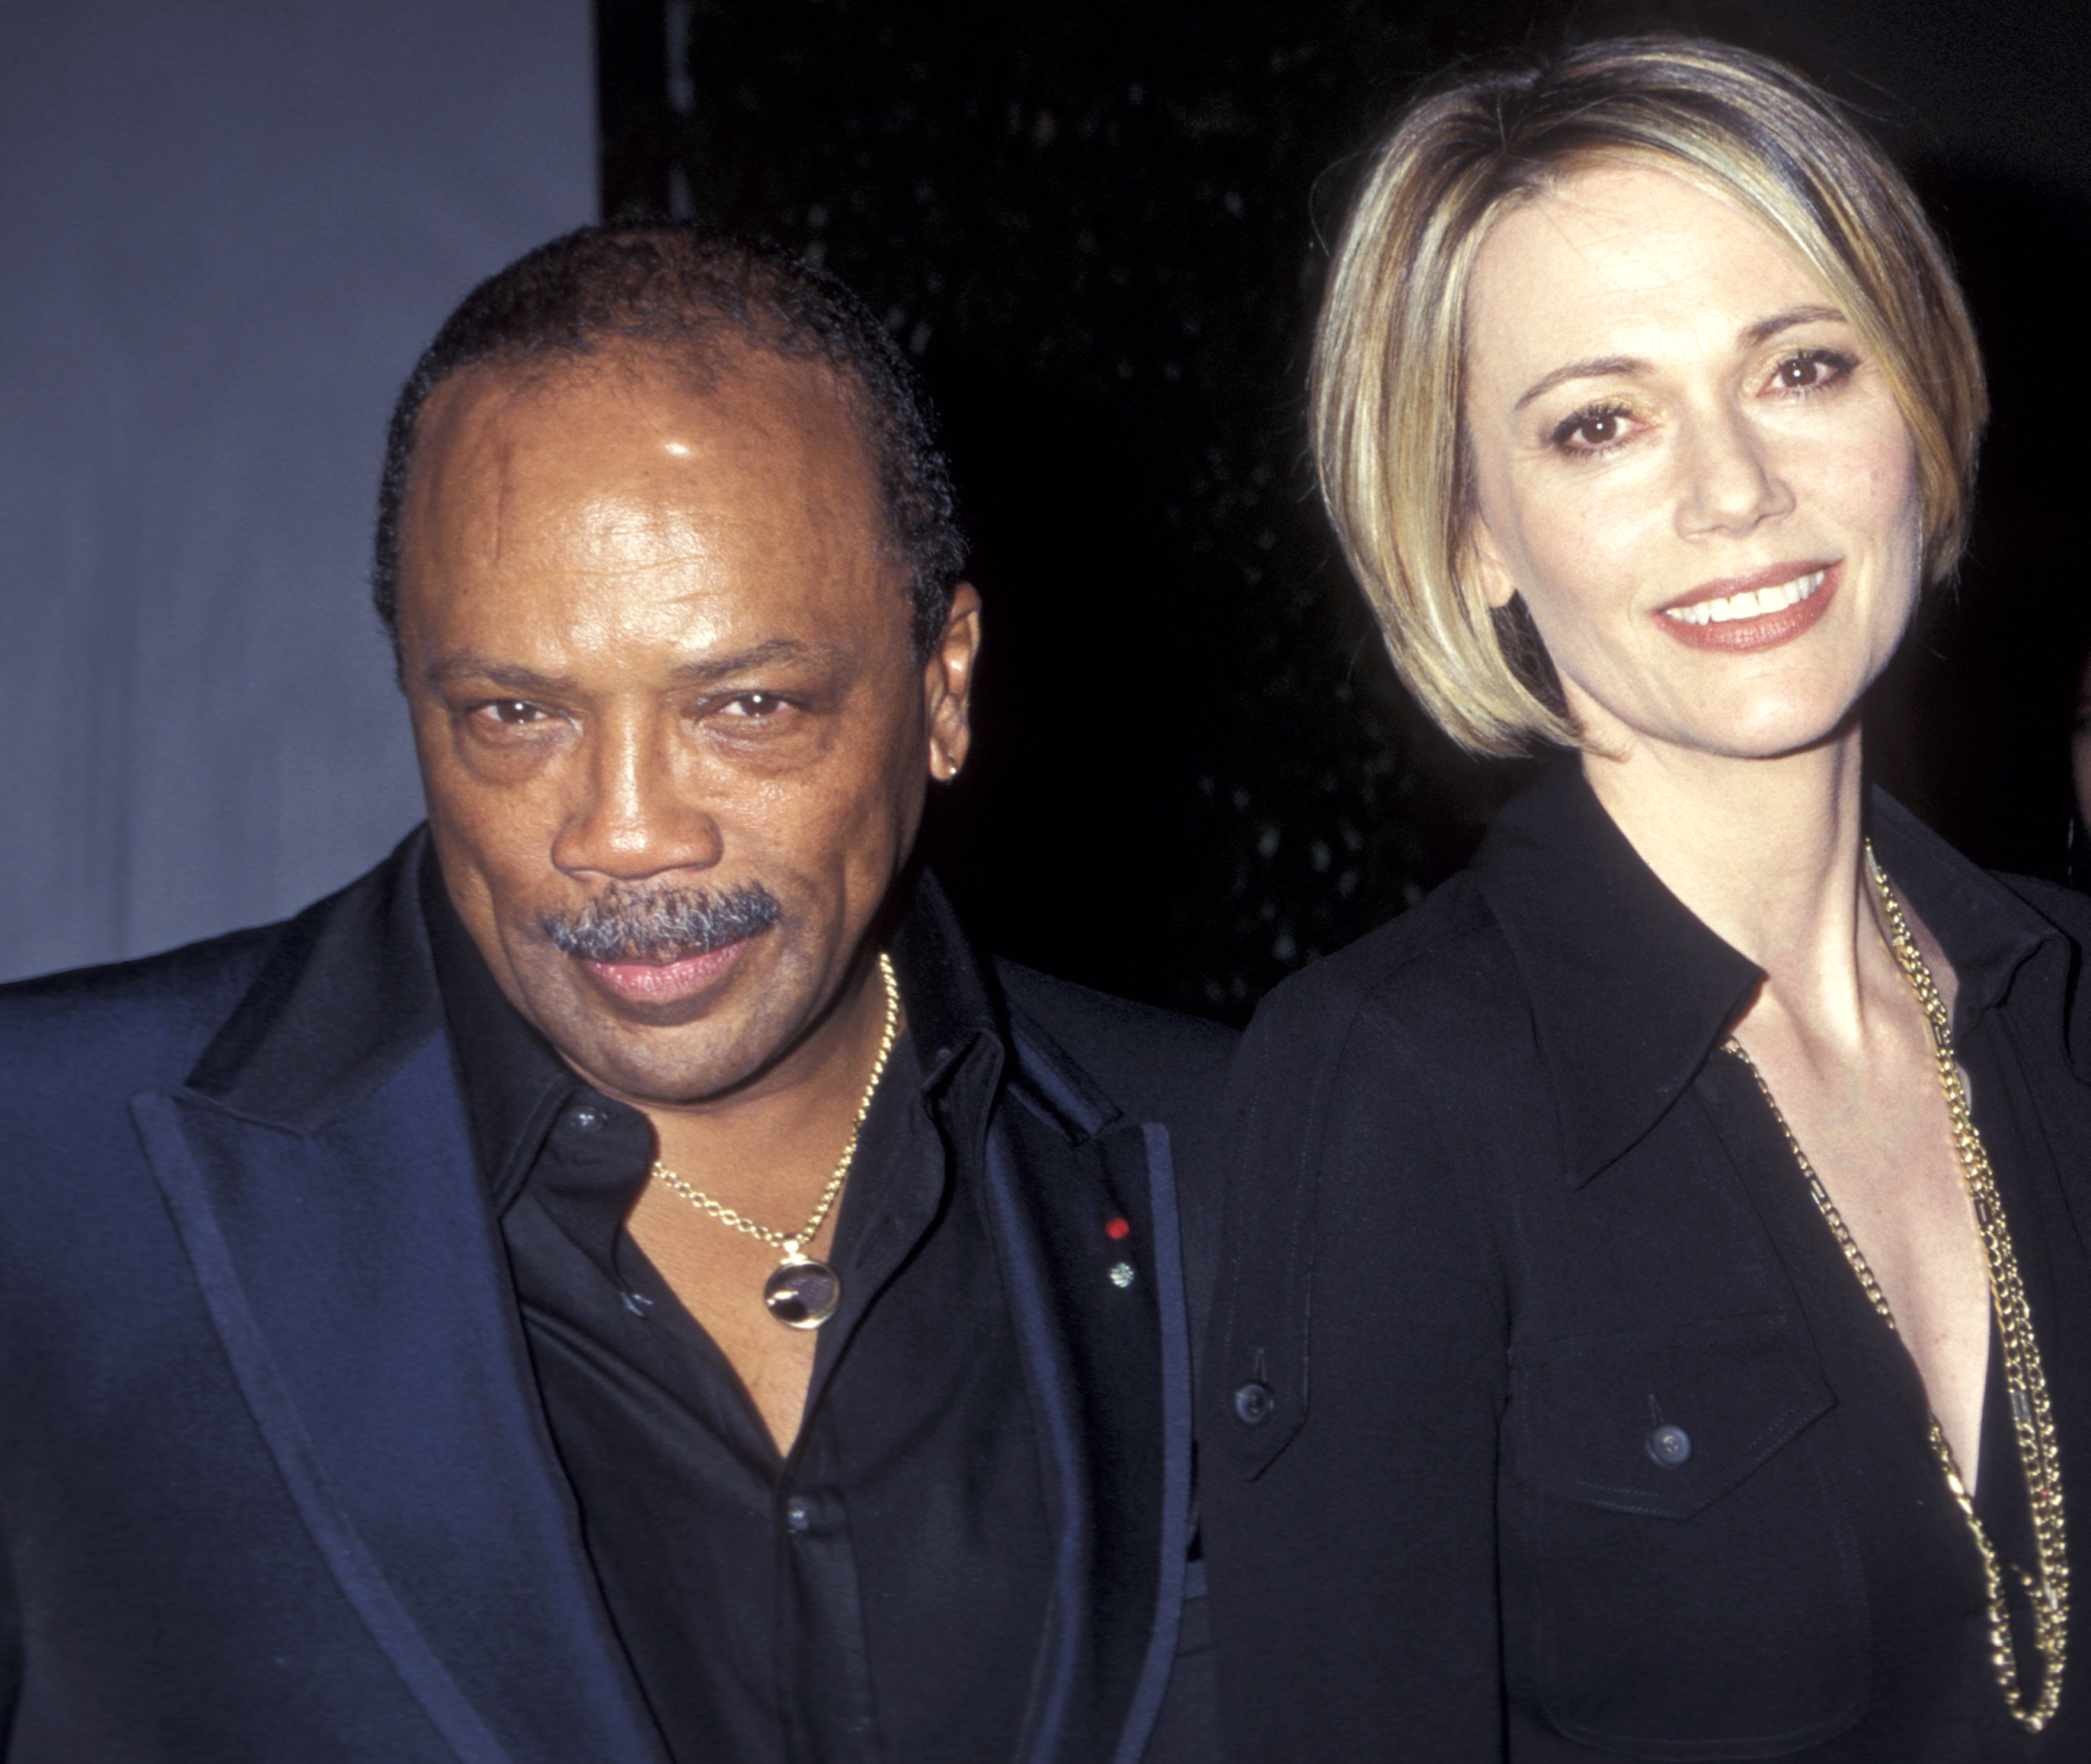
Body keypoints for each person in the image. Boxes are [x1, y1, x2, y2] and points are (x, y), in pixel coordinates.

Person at [0, 224, 1229, 1763]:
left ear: (943, 687)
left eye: (746, 705)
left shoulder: (1259, 1165)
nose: (625, 830)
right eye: (515, 713)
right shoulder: (40, 1191)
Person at [1203, 37, 2091, 1761]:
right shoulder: (1390, 1090)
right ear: (1469, 530)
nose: (1733, 490)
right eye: (1597, 422)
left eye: (1802, 367)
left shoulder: (2063, 1007)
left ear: (1915, 401)